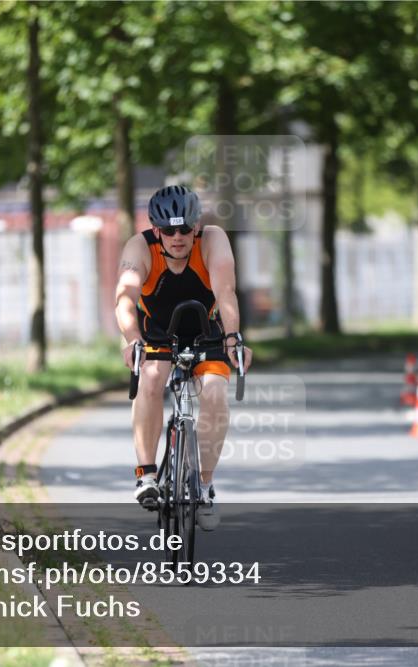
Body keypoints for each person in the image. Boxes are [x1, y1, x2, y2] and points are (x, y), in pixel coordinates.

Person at [113, 185, 252, 531]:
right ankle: (146, 475)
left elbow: (226, 291)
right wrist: (132, 340)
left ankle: (204, 486)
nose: (178, 237)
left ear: (197, 226)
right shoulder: (140, 247)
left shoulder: (213, 240)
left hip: (207, 330)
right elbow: (125, 298)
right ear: (157, 230)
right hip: (157, 332)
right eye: (169, 230)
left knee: (216, 394)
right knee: (150, 379)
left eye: (185, 229)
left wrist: (233, 336)